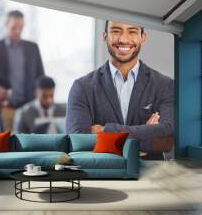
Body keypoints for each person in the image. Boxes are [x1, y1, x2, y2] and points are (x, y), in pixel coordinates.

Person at [65, 20, 174, 158]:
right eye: (116, 31)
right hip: (102, 176)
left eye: (132, 31)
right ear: (105, 37)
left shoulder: (165, 85)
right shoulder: (82, 87)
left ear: (143, 38)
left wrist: (105, 130)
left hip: (152, 175)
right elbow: (77, 143)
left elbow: (167, 140)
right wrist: (145, 139)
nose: (123, 39)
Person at [0, 10, 45, 131]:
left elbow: (40, 77)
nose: (17, 31)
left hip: (27, 109)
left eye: (21, 27)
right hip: (4, 109)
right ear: (5, 24)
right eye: (13, 28)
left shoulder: (33, 48)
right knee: (6, 146)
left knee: (29, 146)